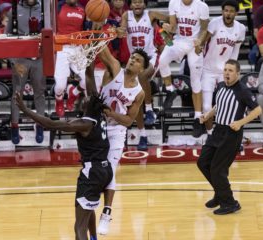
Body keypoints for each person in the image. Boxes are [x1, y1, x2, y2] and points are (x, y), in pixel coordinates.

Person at [14, 84, 112, 240]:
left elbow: (51, 124)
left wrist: (26, 111)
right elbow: (91, 84)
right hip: (104, 170)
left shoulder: (84, 124)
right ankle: (93, 237)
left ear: (88, 106)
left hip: (93, 172)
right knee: (88, 208)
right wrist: (88, 65)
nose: (84, 97)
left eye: (86, 98)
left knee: (79, 227)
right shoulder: (100, 117)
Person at [87, 22, 147, 234]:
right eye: (133, 57)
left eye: (138, 60)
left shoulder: (139, 93)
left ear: (142, 68)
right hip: (97, 125)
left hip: (116, 130)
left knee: (110, 171)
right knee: (93, 168)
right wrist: (103, 29)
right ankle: (89, 205)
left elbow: (130, 120)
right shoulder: (115, 68)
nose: (133, 60)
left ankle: (107, 213)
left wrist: (113, 114)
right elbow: (100, 48)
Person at [198, 59, 262, 215]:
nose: (227, 72)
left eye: (231, 70)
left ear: (238, 74)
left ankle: (230, 203)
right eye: (225, 69)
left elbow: (258, 110)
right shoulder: (220, 85)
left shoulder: (243, 90)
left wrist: (240, 122)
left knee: (218, 169)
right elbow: (218, 105)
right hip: (217, 130)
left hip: (231, 134)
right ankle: (220, 194)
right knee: (203, 162)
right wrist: (207, 115)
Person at [117, 0, 168, 150]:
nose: (137, 5)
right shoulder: (126, 15)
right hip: (135, 59)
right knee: (135, 98)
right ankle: (142, 134)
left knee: (141, 77)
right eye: (134, 2)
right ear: (130, 5)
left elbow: (170, 17)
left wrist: (166, 25)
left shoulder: (151, 15)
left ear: (145, 4)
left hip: (151, 57)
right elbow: (123, 27)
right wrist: (121, 30)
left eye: (140, 2)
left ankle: (150, 109)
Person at [159, 0, 209, 138]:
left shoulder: (202, 6)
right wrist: (167, 28)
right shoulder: (173, 3)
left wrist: (201, 41)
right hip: (180, 41)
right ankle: (170, 90)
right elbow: (174, 28)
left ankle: (198, 119)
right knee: (162, 60)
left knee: (195, 81)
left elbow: (205, 28)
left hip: (195, 44)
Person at [201, 0, 246, 137]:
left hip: (224, 71)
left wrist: (232, 70)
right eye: (226, 10)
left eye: (231, 11)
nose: (228, 13)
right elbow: (203, 42)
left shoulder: (241, 28)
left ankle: (230, 136)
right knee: (207, 107)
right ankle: (210, 135)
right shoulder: (214, 23)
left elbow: (235, 51)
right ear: (222, 11)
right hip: (207, 69)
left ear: (236, 13)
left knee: (230, 105)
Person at [5, 0, 46, 144]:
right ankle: (15, 126)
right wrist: (13, 61)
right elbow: (7, 37)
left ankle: (40, 124)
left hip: (39, 58)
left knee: (40, 93)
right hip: (20, 59)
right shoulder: (14, 11)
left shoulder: (44, 11)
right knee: (17, 93)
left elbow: (50, 37)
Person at [54, 0, 86, 117]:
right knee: (60, 86)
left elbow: (85, 29)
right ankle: (59, 100)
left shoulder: (83, 9)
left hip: (77, 48)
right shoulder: (58, 7)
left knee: (88, 81)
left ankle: (74, 93)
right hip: (62, 47)